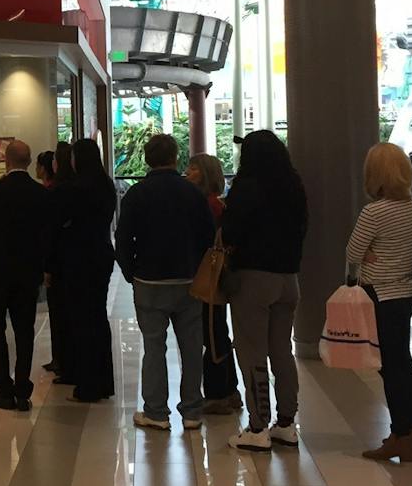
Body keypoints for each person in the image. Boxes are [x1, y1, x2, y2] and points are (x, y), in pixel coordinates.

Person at [117, 134, 215, 432]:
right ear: (176, 157)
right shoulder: (192, 193)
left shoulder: (137, 194)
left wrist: (131, 272)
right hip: (188, 279)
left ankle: (156, 412)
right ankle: (192, 411)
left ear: (147, 159)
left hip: (149, 280)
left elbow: (122, 238)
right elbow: (208, 237)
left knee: (154, 346)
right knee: (191, 347)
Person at [223, 130, 308, 452]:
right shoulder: (293, 186)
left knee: (252, 352)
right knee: (282, 352)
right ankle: (286, 423)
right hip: (288, 279)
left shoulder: (247, 188)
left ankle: (257, 426)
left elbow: (232, 230)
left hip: (253, 279)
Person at [347, 144, 412, 461]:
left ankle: (400, 436)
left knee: (390, 367)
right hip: (405, 292)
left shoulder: (374, 211)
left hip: (380, 293)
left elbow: (352, 253)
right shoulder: (411, 206)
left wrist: (366, 256)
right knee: (403, 362)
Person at [0, 139, 50, 412]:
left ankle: (3, 387)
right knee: (24, 330)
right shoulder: (41, 193)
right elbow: (47, 232)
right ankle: (22, 388)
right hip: (28, 271)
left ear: (6, 160)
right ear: (28, 162)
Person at [50, 138, 117, 404]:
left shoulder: (75, 189)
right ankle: (101, 381)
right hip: (100, 254)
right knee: (97, 318)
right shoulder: (105, 185)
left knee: (81, 320)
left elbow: (59, 222)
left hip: (78, 259)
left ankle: (87, 382)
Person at [185, 153, 242, 414]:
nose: (188, 172)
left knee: (213, 332)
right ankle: (230, 389)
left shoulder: (207, 204)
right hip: (217, 275)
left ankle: (219, 392)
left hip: (207, 275)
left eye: (194, 168)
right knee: (218, 329)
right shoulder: (216, 204)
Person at [42, 140, 75, 376]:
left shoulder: (56, 192)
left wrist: (47, 266)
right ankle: (64, 359)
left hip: (60, 262)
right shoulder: (77, 188)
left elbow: (51, 231)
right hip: (73, 261)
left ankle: (62, 360)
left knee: (59, 311)